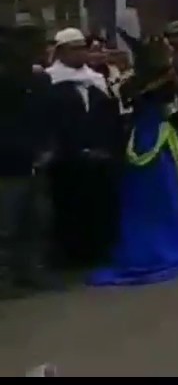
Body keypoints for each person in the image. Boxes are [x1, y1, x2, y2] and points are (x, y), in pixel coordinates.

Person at [88, 32, 178, 287]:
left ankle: (150, 246)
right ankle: (168, 246)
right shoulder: (162, 79)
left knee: (150, 197)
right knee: (165, 195)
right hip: (157, 139)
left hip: (143, 139)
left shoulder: (135, 81)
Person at [44, 27, 123, 268]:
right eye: (74, 49)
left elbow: (111, 118)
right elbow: (49, 122)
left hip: (100, 158)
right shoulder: (49, 81)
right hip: (68, 160)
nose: (81, 53)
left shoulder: (96, 80)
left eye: (83, 48)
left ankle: (100, 252)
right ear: (61, 52)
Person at [0, 24, 55, 298]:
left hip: (35, 161)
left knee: (36, 220)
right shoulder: (7, 80)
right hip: (7, 164)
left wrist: (47, 147)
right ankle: (5, 277)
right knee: (6, 226)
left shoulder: (40, 81)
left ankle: (31, 270)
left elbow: (46, 117)